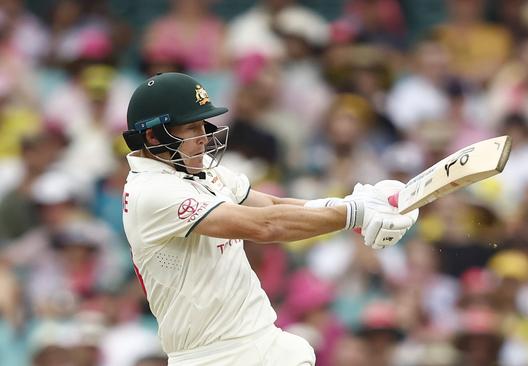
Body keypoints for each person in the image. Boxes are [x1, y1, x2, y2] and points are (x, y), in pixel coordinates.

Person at [120, 72, 418, 365]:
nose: (203, 138)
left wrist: (348, 205)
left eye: (202, 126)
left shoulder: (200, 168)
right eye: (191, 129)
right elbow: (264, 225)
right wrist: (355, 213)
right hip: (209, 356)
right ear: (151, 135)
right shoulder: (151, 192)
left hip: (262, 338)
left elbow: (272, 204)